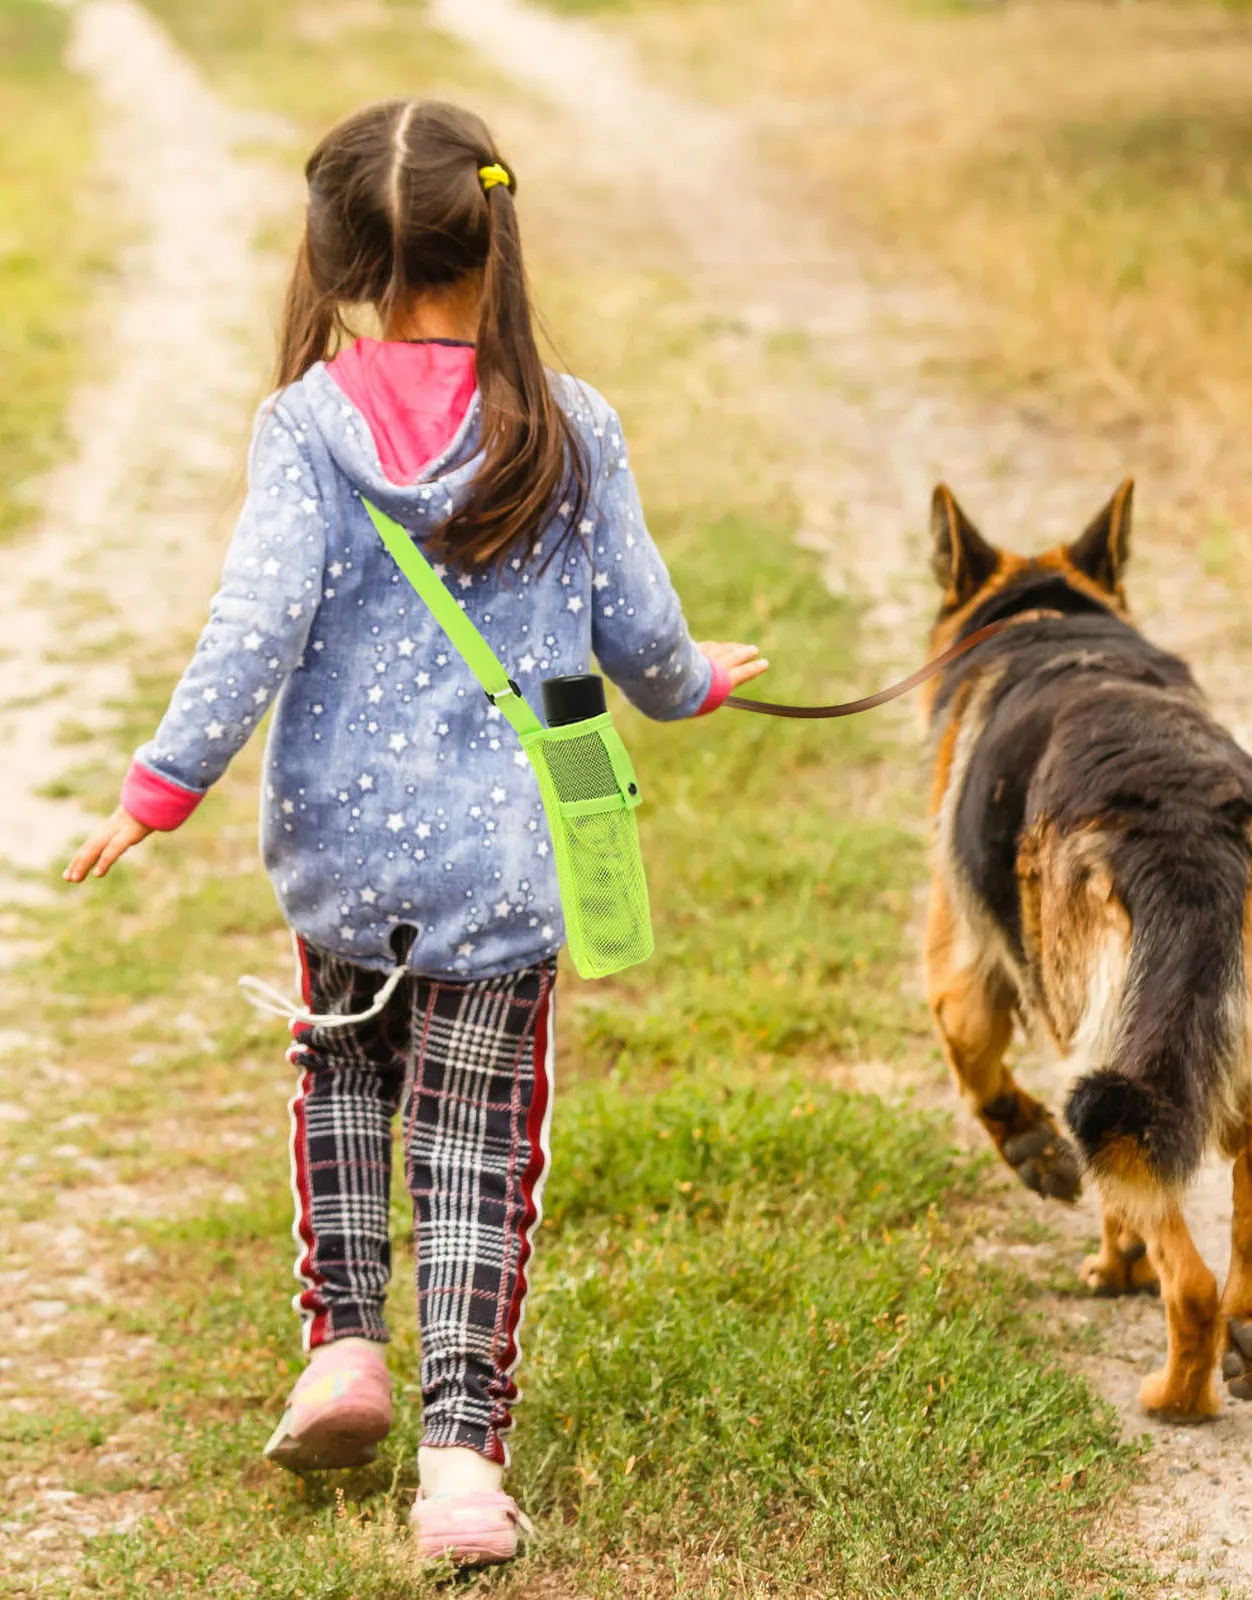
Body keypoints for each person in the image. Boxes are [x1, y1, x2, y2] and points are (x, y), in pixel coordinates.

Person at [64, 99, 767, 1569]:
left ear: (333, 258)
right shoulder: (570, 425)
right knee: (472, 1158)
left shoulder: (306, 428)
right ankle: (458, 1467)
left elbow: (253, 626)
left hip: (342, 866)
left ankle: (344, 1350)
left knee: (338, 1092)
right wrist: (696, 685)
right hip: (501, 876)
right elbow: (640, 635)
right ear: (494, 239)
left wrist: (161, 787)